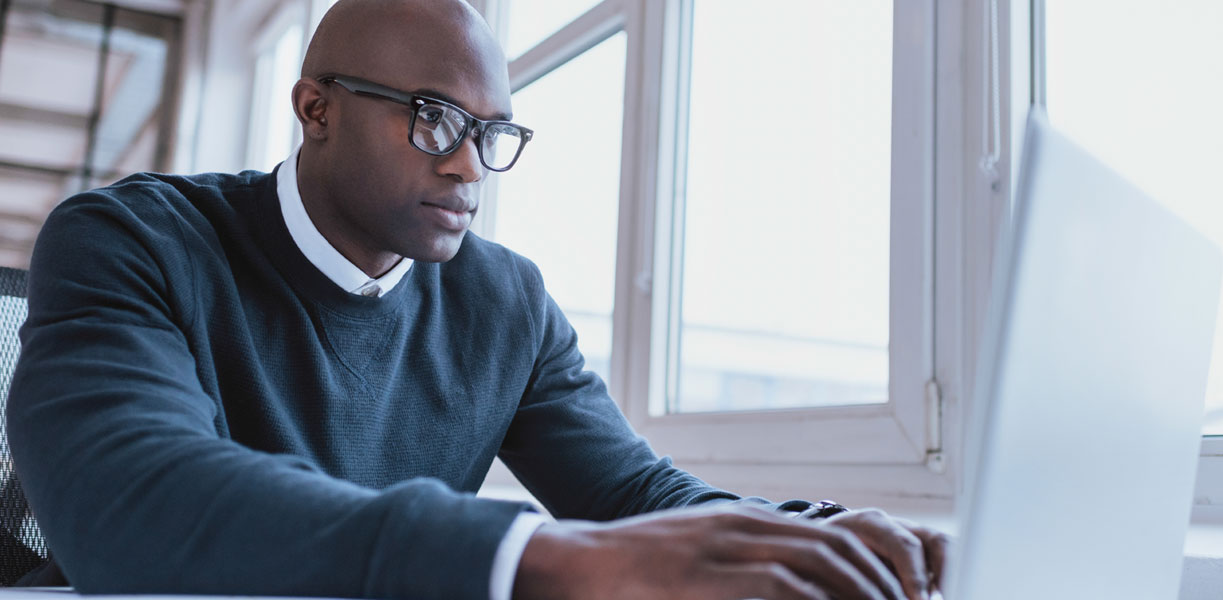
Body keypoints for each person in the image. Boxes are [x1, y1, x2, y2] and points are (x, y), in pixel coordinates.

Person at [6, 0, 950, 598]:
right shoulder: (131, 240)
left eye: (493, 133)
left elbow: (633, 493)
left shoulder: (506, 302)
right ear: (315, 108)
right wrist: (532, 557)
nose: (467, 164)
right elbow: (126, 505)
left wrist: (810, 534)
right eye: (433, 119)